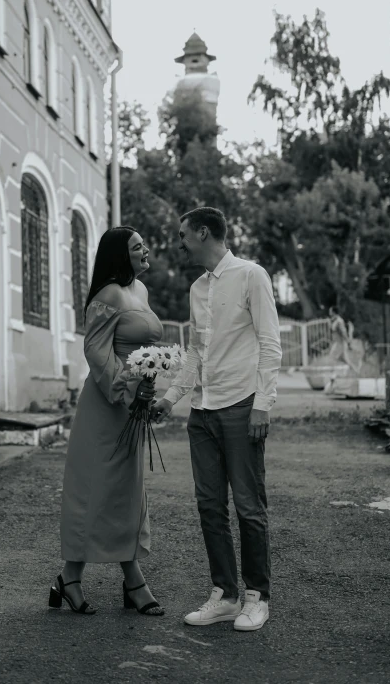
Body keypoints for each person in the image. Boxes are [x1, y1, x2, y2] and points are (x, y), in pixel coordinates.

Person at [152, 207, 282, 632]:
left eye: (183, 234)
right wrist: (171, 398)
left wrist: (263, 402)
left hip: (242, 406)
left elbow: (270, 342)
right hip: (202, 413)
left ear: (203, 233)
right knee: (209, 506)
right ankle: (225, 595)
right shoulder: (196, 288)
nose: (179, 241)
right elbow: (195, 352)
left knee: (248, 507)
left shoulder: (251, 275)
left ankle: (256, 597)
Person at [49, 226, 165, 617]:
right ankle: (79, 578)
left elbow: (146, 350)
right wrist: (127, 391)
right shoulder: (107, 295)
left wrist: (148, 387)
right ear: (120, 255)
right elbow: (96, 352)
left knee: (127, 492)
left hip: (136, 401)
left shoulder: (141, 292)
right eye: (137, 247)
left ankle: (123, 580)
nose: (145, 249)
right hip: (107, 404)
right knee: (95, 490)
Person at [328, 306, 360, 375]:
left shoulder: (339, 321)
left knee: (331, 358)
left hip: (340, 344)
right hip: (337, 343)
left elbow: (343, 332)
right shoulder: (334, 320)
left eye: (330, 311)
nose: (329, 312)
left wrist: (348, 342)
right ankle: (357, 372)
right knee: (345, 360)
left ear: (333, 312)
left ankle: (333, 375)